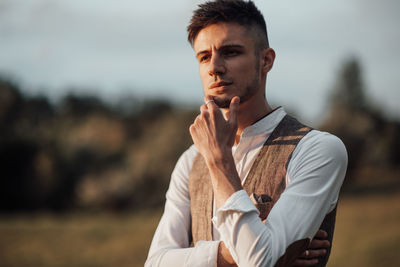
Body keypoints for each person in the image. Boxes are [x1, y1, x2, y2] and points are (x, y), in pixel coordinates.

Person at [145, 0, 347, 266]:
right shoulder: (190, 161)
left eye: (230, 52)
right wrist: (229, 254)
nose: (214, 67)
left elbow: (258, 260)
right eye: (204, 56)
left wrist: (220, 161)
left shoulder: (317, 149)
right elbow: (155, 261)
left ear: (266, 60)